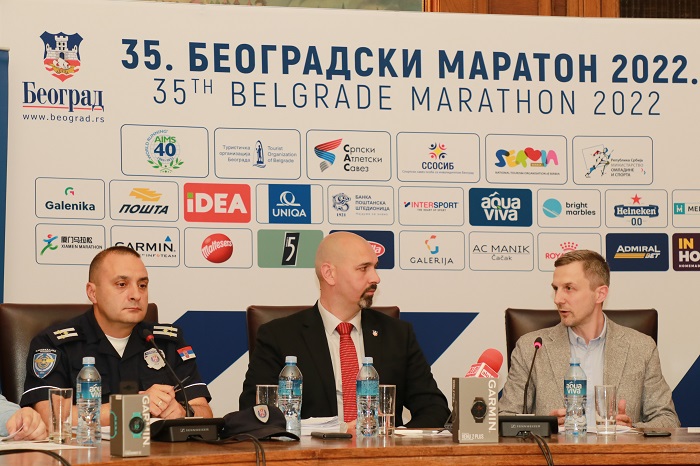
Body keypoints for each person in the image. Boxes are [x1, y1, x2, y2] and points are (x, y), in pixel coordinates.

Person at [240, 231, 450, 429]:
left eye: (375, 267)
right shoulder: (279, 336)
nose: (376, 278)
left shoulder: (397, 334)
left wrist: (395, 441)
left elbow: (435, 410)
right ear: (329, 274)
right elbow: (255, 414)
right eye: (364, 268)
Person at [20, 246, 213, 428]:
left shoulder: (166, 342)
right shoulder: (55, 344)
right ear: (92, 293)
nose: (136, 295)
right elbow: (51, 416)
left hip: (157, 451)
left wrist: (183, 412)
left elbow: (204, 411)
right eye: (122, 284)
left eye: (142, 285)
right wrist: (132, 406)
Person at [499, 249, 680, 428]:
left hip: (619, 448)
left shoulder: (641, 347)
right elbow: (504, 418)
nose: (558, 299)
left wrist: (632, 430)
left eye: (568, 288)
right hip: (554, 449)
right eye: (556, 289)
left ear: (600, 294)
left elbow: (668, 420)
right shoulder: (531, 348)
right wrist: (544, 425)